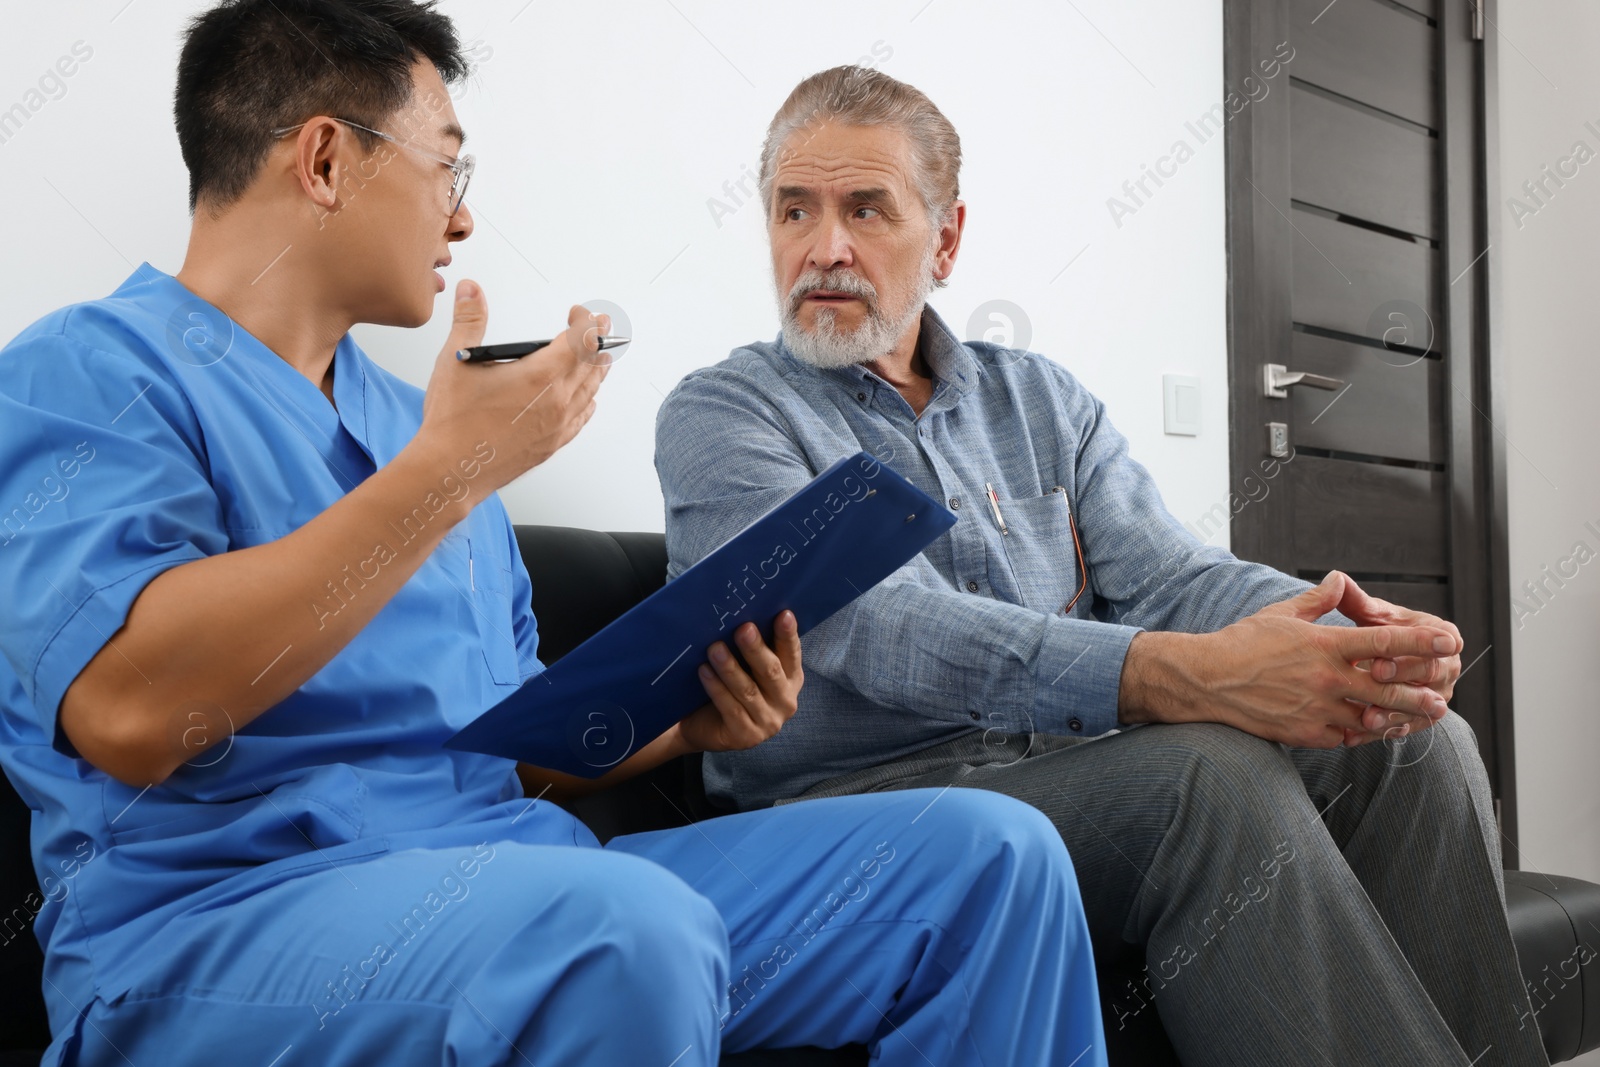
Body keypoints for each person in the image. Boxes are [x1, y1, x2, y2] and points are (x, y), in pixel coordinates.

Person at [0, 5, 1109, 1065]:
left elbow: (508, 753)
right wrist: (451, 470)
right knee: (621, 930)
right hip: (212, 933)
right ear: (327, 160)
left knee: (990, 861)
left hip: (514, 884)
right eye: (447, 166)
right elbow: (133, 710)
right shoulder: (88, 374)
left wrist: (687, 722)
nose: (464, 215)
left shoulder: (419, 423)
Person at [655, 64, 1549, 1067]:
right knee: (1207, 782)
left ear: (945, 239)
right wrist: (1174, 676)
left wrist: (1341, 641)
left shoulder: (1042, 400)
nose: (824, 248)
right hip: (856, 806)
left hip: (1057, 774)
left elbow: (1170, 574)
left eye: (866, 208)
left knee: (1410, 738)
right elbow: (873, 624)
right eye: (793, 211)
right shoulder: (725, 414)